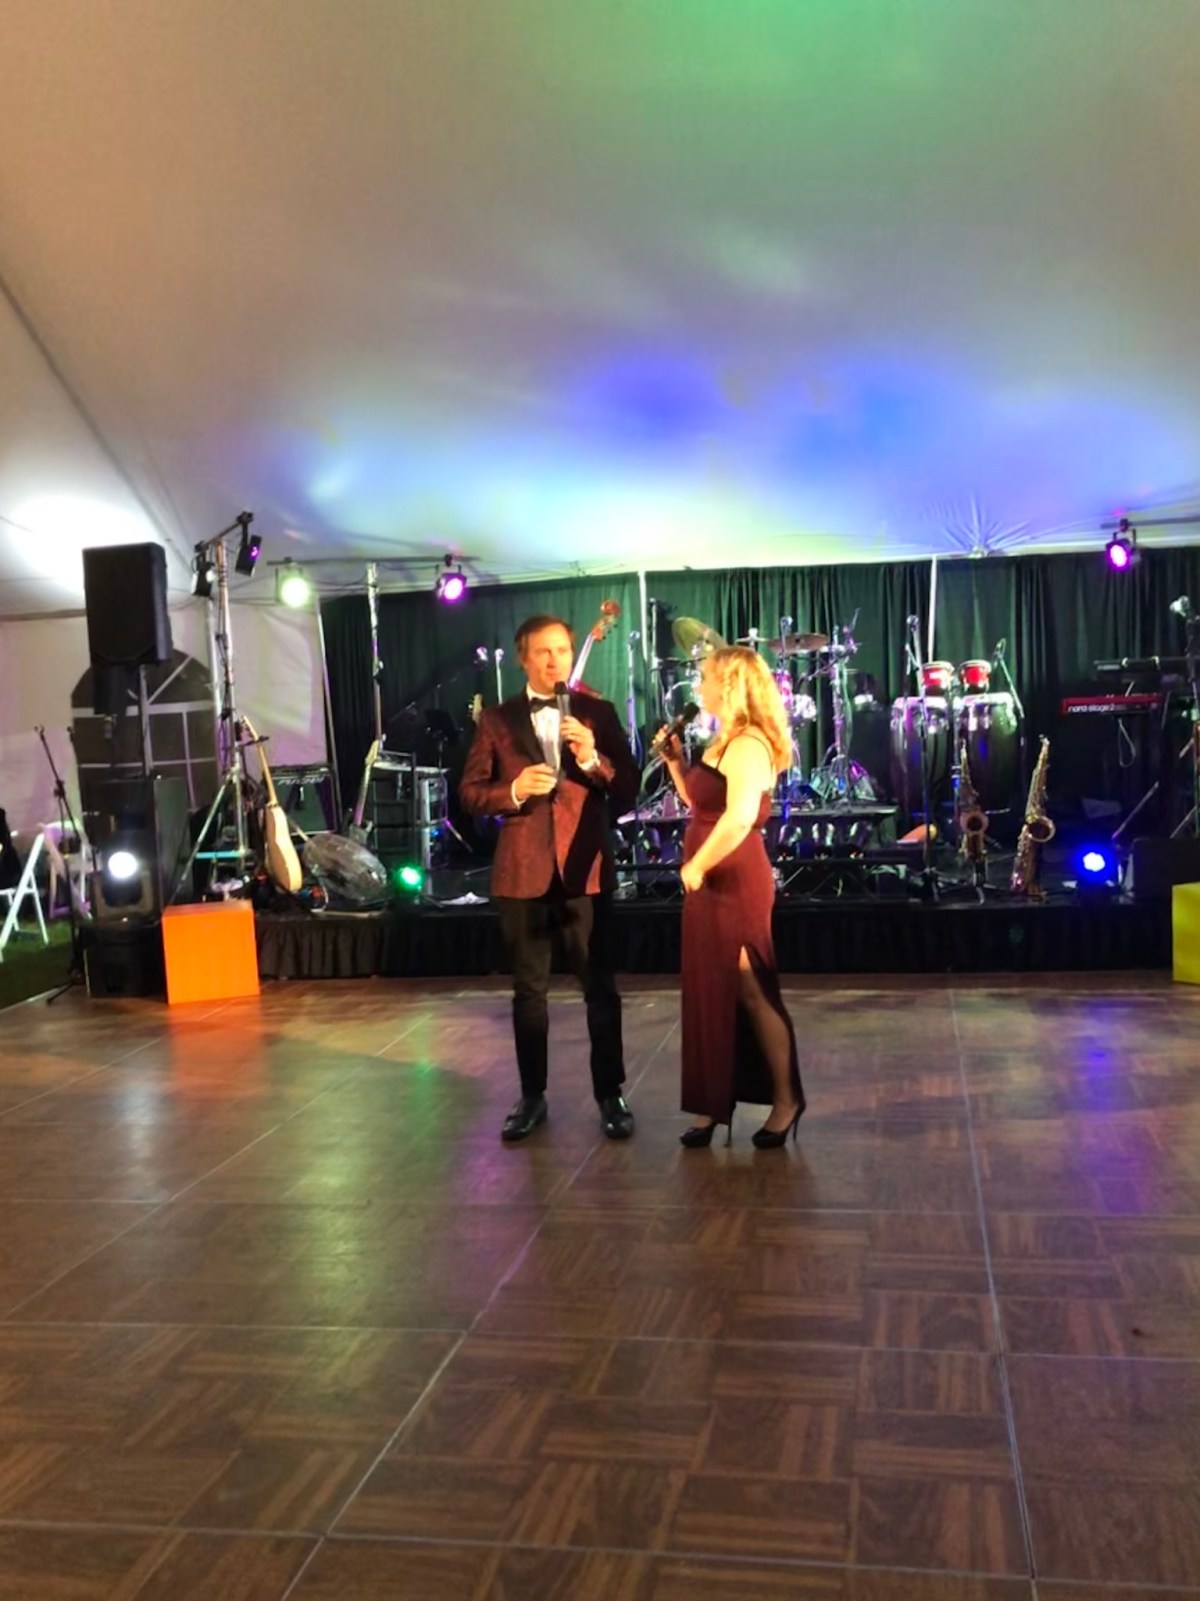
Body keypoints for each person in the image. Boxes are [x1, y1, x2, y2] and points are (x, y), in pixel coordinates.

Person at [460, 614, 641, 1142]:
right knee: (529, 993)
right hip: (523, 872)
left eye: (562, 649)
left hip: (585, 869)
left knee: (600, 989)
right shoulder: (497, 720)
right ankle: (532, 1096)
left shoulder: (598, 712)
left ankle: (611, 1095)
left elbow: (628, 789)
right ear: (523, 658)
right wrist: (514, 790)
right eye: (543, 651)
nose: (555, 660)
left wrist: (592, 757)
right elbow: (469, 793)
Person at [658, 645, 805, 1149]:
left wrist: (698, 864)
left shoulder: (749, 745)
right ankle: (711, 1104)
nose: (698, 686)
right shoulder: (723, 740)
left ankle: (786, 1100)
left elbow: (740, 817)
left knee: (751, 988)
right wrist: (676, 763)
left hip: (734, 879)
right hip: (709, 878)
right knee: (709, 988)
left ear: (730, 684)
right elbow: (700, 803)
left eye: (705, 677)